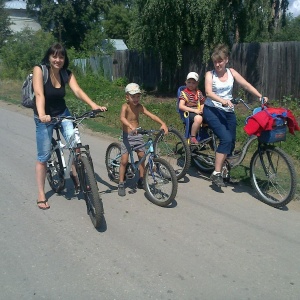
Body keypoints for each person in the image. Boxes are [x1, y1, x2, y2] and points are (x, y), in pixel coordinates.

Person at [33, 43, 107, 209]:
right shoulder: (40, 69)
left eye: (61, 56)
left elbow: (78, 91)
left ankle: (76, 173)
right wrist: (42, 114)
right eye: (54, 56)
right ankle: (41, 193)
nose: (58, 60)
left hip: (62, 112)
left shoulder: (66, 73)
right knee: (43, 156)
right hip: (44, 115)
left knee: (76, 146)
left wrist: (93, 105)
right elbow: (39, 93)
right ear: (49, 57)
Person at [204, 43, 268, 187]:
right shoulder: (210, 75)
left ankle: (225, 169)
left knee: (232, 141)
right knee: (226, 139)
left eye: (220, 61)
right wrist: (223, 101)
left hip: (228, 110)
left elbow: (245, 84)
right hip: (212, 110)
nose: (217, 64)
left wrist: (260, 96)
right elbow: (208, 93)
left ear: (226, 59)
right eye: (215, 61)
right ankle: (216, 173)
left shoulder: (232, 72)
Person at [118, 83, 168, 197]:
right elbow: (122, 118)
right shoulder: (125, 107)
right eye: (133, 96)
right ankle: (121, 183)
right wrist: (130, 126)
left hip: (138, 135)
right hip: (128, 136)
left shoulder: (139, 107)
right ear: (127, 97)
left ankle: (141, 179)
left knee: (142, 156)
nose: (136, 99)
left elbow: (151, 115)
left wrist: (162, 123)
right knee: (124, 161)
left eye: (137, 96)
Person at [178, 72, 205, 144]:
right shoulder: (184, 93)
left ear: (197, 83)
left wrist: (201, 109)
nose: (191, 84)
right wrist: (194, 110)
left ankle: (207, 136)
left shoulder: (198, 93)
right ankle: (193, 137)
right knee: (198, 118)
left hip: (197, 111)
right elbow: (181, 106)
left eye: (193, 83)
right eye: (189, 82)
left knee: (211, 116)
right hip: (188, 112)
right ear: (186, 82)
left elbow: (202, 103)